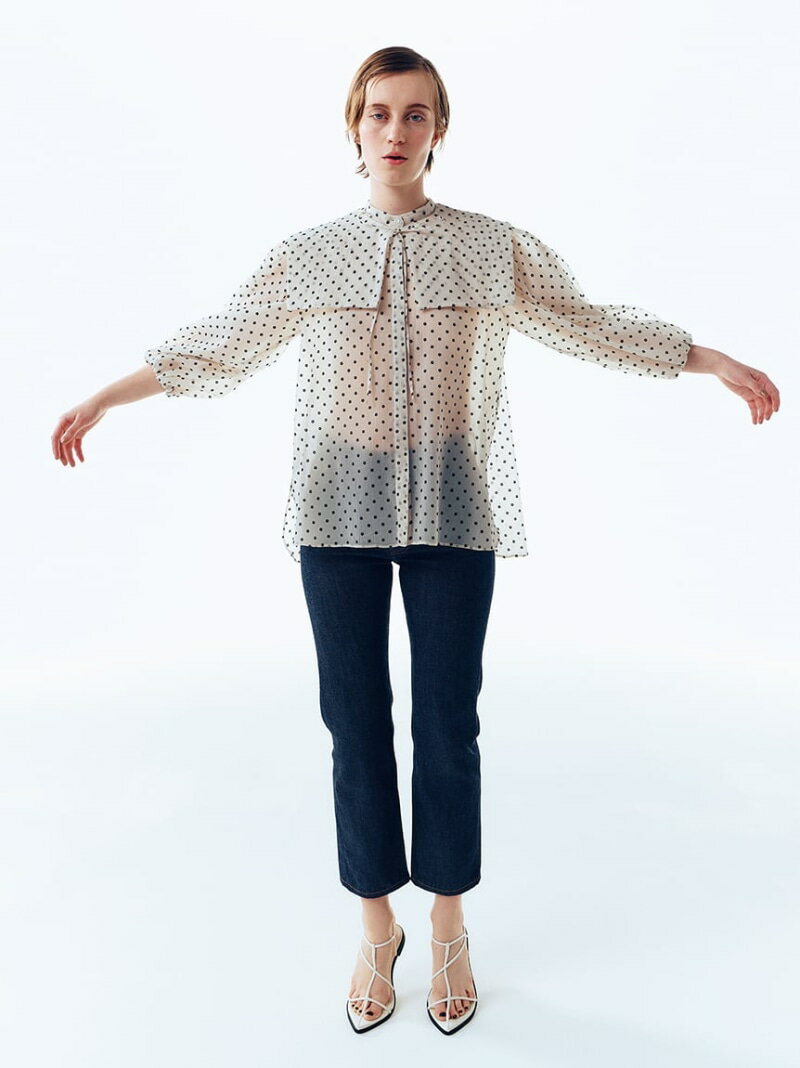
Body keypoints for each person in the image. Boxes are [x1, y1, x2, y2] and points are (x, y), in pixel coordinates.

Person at [51, 46, 780, 1037]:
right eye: (379, 113)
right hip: (335, 506)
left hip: (453, 500)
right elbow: (221, 343)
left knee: (446, 723)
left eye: (416, 114)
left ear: (440, 130)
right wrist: (105, 396)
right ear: (353, 127)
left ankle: (446, 923)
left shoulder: (490, 246)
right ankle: (374, 925)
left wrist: (707, 360)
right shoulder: (307, 253)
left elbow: (587, 323)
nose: (396, 131)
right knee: (353, 721)